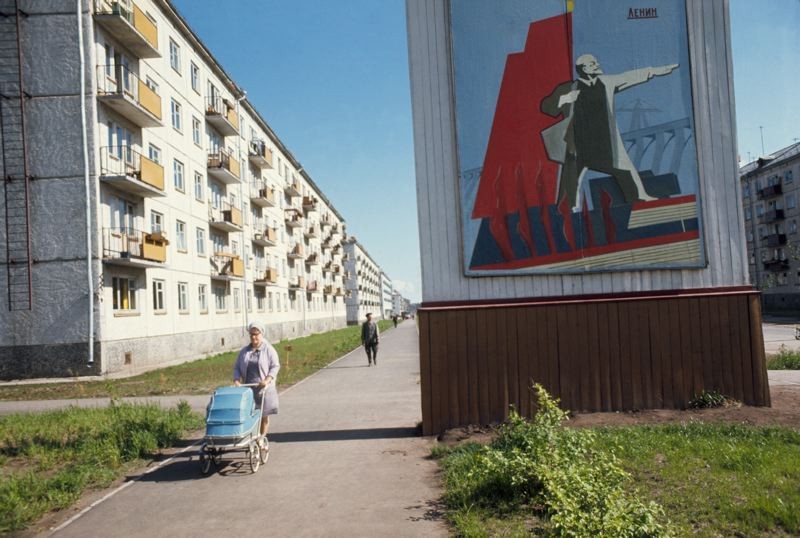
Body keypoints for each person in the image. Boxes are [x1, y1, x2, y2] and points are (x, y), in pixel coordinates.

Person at [541, 54, 678, 209]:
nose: (597, 64)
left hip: (603, 144)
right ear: (584, 68)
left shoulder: (606, 82)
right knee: (570, 185)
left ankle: (639, 198)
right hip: (578, 147)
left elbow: (628, 77)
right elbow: (546, 107)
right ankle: (567, 211)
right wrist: (565, 99)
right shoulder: (568, 88)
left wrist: (653, 71)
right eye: (593, 63)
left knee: (625, 169)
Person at [232, 321, 280, 443]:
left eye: (256, 334)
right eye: (251, 334)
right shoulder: (244, 351)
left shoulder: (268, 349)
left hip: (264, 388)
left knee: (263, 416)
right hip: (248, 388)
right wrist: (237, 380)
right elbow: (237, 367)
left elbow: (275, 366)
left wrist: (267, 379)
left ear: (261, 334)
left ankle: (262, 437)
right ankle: (252, 437)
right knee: (250, 416)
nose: (254, 337)